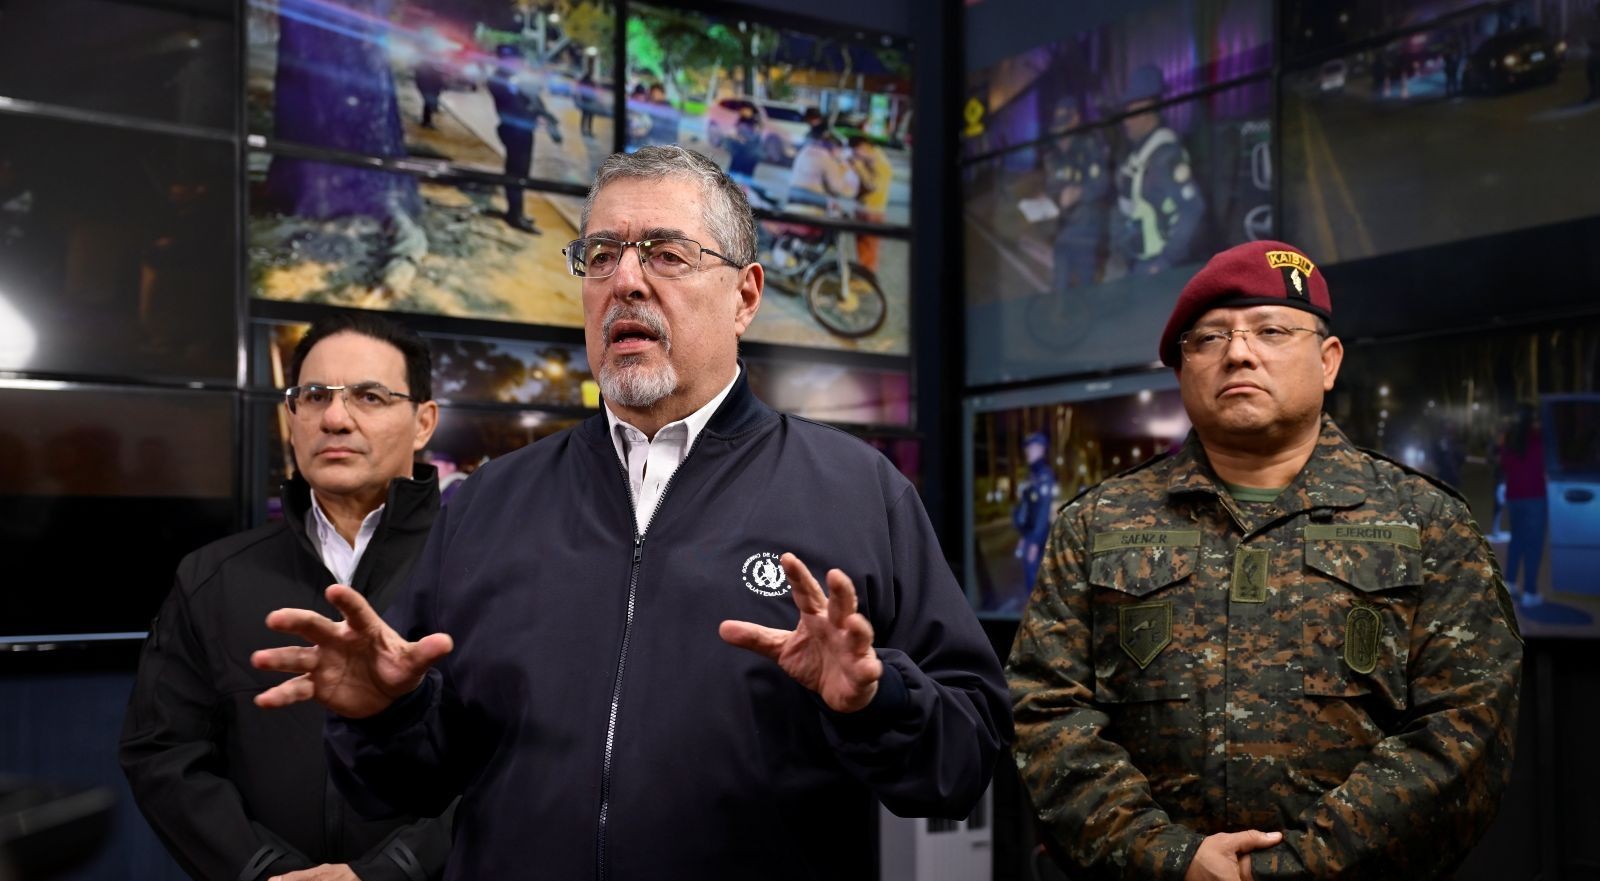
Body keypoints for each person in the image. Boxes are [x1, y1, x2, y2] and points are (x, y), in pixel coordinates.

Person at [250, 145, 1010, 880]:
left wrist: (878, 702)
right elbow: (407, 788)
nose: (626, 281)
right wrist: (384, 714)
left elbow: (965, 761)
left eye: (666, 254)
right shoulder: (486, 503)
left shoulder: (857, 491)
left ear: (745, 295)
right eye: (601, 255)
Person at [1008, 240, 1521, 881]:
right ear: (1182, 370)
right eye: (1209, 338)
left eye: (1272, 331)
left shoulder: (1425, 521)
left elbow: (1465, 726)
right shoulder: (1098, 523)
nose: (1239, 353)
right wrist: (1170, 859)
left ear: (1328, 361)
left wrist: (1293, 868)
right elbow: (1046, 712)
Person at [120, 312, 451, 881]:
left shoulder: (487, 564)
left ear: (423, 423)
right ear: (291, 417)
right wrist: (260, 869)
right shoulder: (212, 576)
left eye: (369, 396)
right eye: (315, 396)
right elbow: (164, 753)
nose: (336, 419)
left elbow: (529, 756)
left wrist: (395, 871)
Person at [1111, 65, 1204, 277]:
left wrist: (1166, 260)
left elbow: (1192, 209)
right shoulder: (1139, 153)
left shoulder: (1165, 155)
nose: (1125, 121)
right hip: (1137, 261)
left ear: (1145, 109)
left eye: (1130, 112)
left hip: (1156, 267)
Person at [487, 45, 561, 234]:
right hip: (513, 132)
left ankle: (516, 211)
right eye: (515, 60)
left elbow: (531, 99)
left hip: (523, 132)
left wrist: (543, 113)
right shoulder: (500, 79)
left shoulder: (514, 78)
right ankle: (515, 215)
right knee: (516, 174)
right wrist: (534, 113)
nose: (519, 63)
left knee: (521, 174)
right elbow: (514, 107)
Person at [1043, 98, 1110, 293]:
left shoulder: (1090, 146)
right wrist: (1047, 200)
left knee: (1085, 290)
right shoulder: (1054, 156)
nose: (1060, 137)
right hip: (1062, 232)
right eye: (1057, 130)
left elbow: (1102, 183)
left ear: (1075, 121)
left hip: (1085, 234)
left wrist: (1079, 193)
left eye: (1064, 128)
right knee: (1059, 287)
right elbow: (1052, 187)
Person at [1499, 404, 1547, 607]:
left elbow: (1503, 464)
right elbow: (1546, 463)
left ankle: (1510, 583)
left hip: (1514, 498)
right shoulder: (1539, 438)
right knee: (1533, 545)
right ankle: (1530, 592)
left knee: (1517, 540)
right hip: (1534, 497)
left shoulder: (1510, 439)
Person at [1011, 431, 1057, 597]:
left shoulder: (1044, 476)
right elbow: (1028, 510)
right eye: (1027, 448)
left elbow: (1042, 512)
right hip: (1029, 535)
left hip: (1037, 536)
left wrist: (1035, 543)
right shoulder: (1033, 475)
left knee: (1034, 581)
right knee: (1031, 579)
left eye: (1031, 448)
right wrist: (1024, 537)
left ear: (1041, 450)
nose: (1027, 452)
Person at [846, 134, 893, 272]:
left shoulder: (881, 163)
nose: (855, 155)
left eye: (856, 151)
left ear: (865, 148)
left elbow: (873, 186)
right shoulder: (868, 160)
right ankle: (863, 276)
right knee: (862, 249)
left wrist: (859, 168)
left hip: (873, 212)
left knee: (869, 251)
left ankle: (867, 278)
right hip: (863, 209)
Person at [788, 131, 855, 215]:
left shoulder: (805, 150)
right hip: (814, 199)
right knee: (842, 210)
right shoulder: (828, 158)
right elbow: (837, 187)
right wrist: (845, 171)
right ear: (835, 148)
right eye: (840, 150)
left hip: (792, 193)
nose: (840, 153)